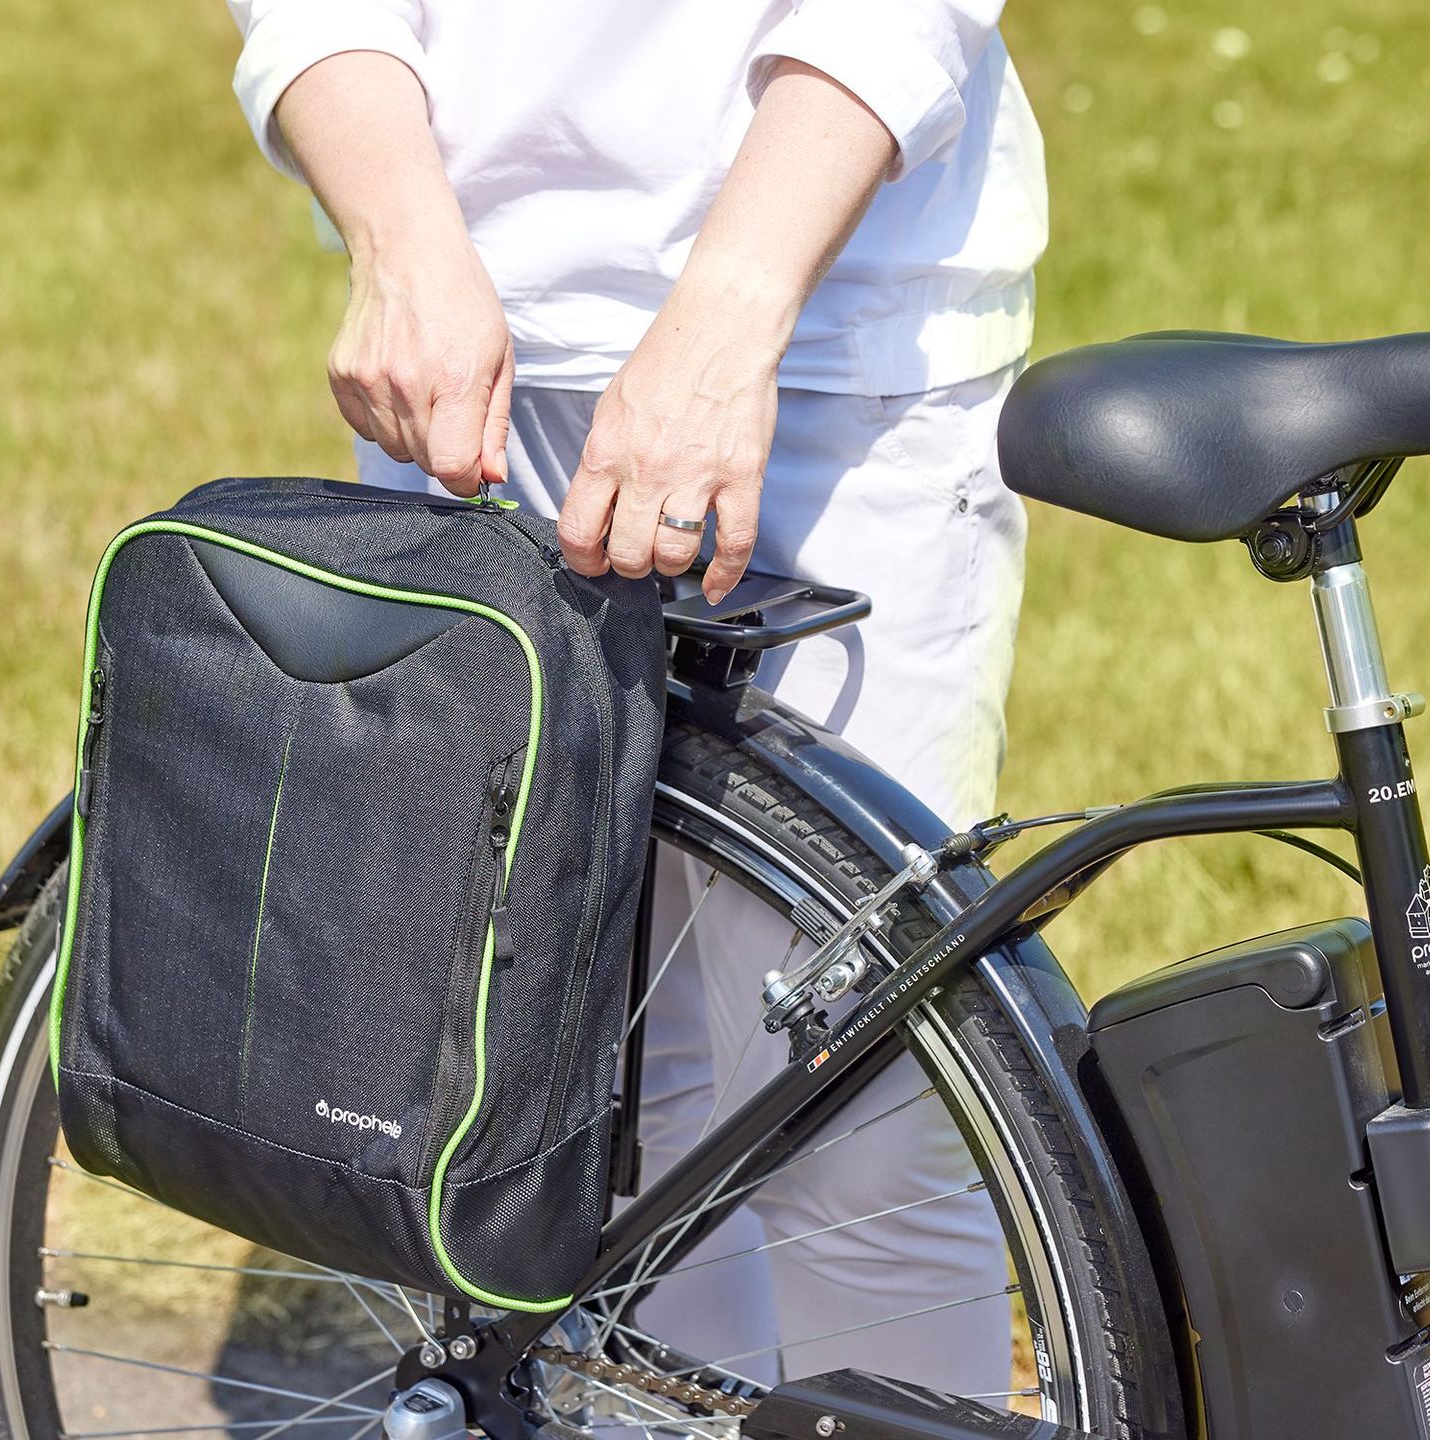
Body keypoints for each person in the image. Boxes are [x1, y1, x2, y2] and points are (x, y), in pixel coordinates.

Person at [226, 0, 1047, 1396]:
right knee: (560, 1103)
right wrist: (400, 240)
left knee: (856, 1123)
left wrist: (727, 315)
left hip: (831, 353)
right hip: (465, 357)